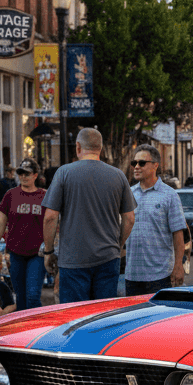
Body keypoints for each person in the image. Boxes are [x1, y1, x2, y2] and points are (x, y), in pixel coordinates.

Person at [41, 127, 137, 304]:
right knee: (103, 314)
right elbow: (130, 218)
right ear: (100, 148)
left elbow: (50, 217)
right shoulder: (118, 176)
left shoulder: (64, 173)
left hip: (73, 260)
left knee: (75, 315)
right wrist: (118, 245)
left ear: (78, 147)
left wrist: (48, 251)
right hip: (108, 258)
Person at [125, 144, 186, 296]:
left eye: (142, 163)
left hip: (160, 275)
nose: (136, 167)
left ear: (155, 165)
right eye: (134, 163)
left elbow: (178, 234)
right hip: (132, 275)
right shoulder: (128, 194)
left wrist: (178, 266)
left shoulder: (169, 195)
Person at [0, 158, 46, 311]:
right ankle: (23, 331)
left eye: (27, 174)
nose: (23, 177)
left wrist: (51, 247)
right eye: (20, 173)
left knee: (33, 294)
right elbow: (1, 222)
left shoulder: (44, 196)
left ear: (35, 175)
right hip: (15, 252)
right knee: (20, 296)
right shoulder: (11, 195)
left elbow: (52, 222)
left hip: (37, 253)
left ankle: (37, 326)